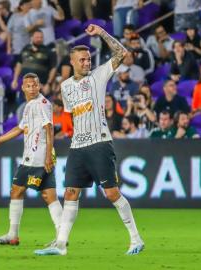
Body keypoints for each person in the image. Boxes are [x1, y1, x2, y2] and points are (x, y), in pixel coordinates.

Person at [34, 24, 144, 256]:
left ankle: (136, 239)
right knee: (71, 193)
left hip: (99, 144)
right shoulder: (65, 87)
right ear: (72, 62)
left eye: (88, 59)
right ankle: (61, 245)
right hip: (77, 147)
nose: (87, 63)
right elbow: (72, 116)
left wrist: (102, 33)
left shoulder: (98, 76)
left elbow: (122, 53)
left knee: (112, 193)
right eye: (82, 60)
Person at [0, 73, 62, 246]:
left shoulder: (42, 104)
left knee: (25, 192)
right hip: (35, 156)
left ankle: (16, 234)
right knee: (41, 194)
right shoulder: (29, 106)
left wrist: (48, 155)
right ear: (23, 88)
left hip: (37, 157)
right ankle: (55, 237)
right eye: (29, 85)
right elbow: (19, 129)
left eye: (35, 85)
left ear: (40, 86)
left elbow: (49, 129)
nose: (32, 88)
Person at [11, 30, 57, 95]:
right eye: (37, 37)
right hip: (24, 84)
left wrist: (48, 84)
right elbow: (19, 64)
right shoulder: (25, 48)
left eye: (41, 37)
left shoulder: (48, 52)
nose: (39, 39)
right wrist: (15, 80)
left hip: (39, 86)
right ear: (31, 38)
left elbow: (53, 69)